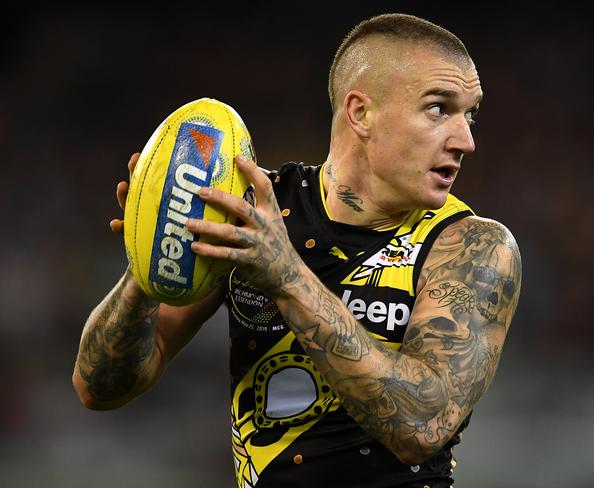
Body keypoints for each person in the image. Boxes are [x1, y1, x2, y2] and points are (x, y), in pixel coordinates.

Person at [73, 13, 521, 488]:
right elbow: (97, 388)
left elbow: (421, 427)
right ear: (361, 113)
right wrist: (146, 266)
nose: (466, 140)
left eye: (469, 114)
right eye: (438, 109)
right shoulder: (253, 213)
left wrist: (286, 276)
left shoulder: (472, 245)